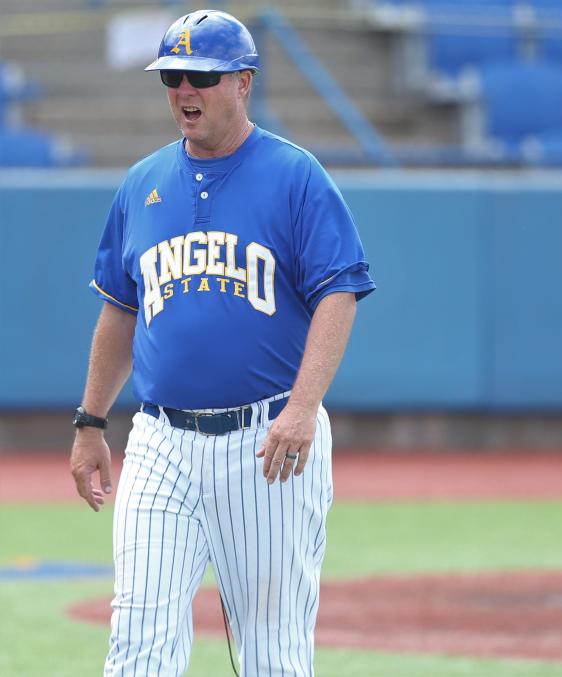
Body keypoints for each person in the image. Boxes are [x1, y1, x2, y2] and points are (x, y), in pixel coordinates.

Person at [68, 9, 375, 674]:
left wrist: (301, 407)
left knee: (272, 648)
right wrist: (91, 419)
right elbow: (121, 308)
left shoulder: (295, 175)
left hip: (266, 443)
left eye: (201, 76)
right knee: (138, 637)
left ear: (243, 82)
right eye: (173, 76)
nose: (184, 90)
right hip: (160, 440)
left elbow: (338, 292)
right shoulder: (143, 182)